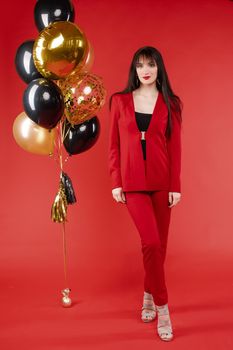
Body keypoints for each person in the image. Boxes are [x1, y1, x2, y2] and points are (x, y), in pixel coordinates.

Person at [108, 46, 182, 341]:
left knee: (159, 248)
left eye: (150, 64)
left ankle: (149, 294)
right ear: (134, 70)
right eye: (139, 65)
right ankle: (164, 309)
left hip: (162, 183)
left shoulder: (171, 104)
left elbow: (175, 149)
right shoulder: (119, 101)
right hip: (133, 183)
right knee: (150, 242)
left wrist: (175, 185)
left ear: (158, 67)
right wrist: (116, 181)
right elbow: (113, 145)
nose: (145, 69)